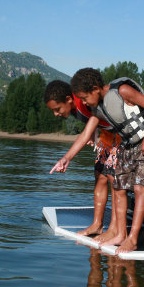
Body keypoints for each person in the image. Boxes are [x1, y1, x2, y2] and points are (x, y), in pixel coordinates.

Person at [52, 68, 144, 254]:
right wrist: (66, 158)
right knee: (118, 188)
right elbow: (86, 133)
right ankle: (120, 235)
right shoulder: (98, 109)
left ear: (95, 89)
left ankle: (132, 238)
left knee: (139, 188)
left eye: (85, 98)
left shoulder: (122, 91)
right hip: (129, 145)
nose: (84, 103)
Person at [44, 80, 120, 240]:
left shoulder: (82, 100)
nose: (56, 114)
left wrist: (67, 158)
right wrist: (94, 134)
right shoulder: (73, 107)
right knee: (100, 176)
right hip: (106, 135)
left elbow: (88, 126)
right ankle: (97, 225)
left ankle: (114, 229)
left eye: (57, 109)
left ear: (69, 99)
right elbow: (92, 121)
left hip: (120, 135)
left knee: (114, 181)